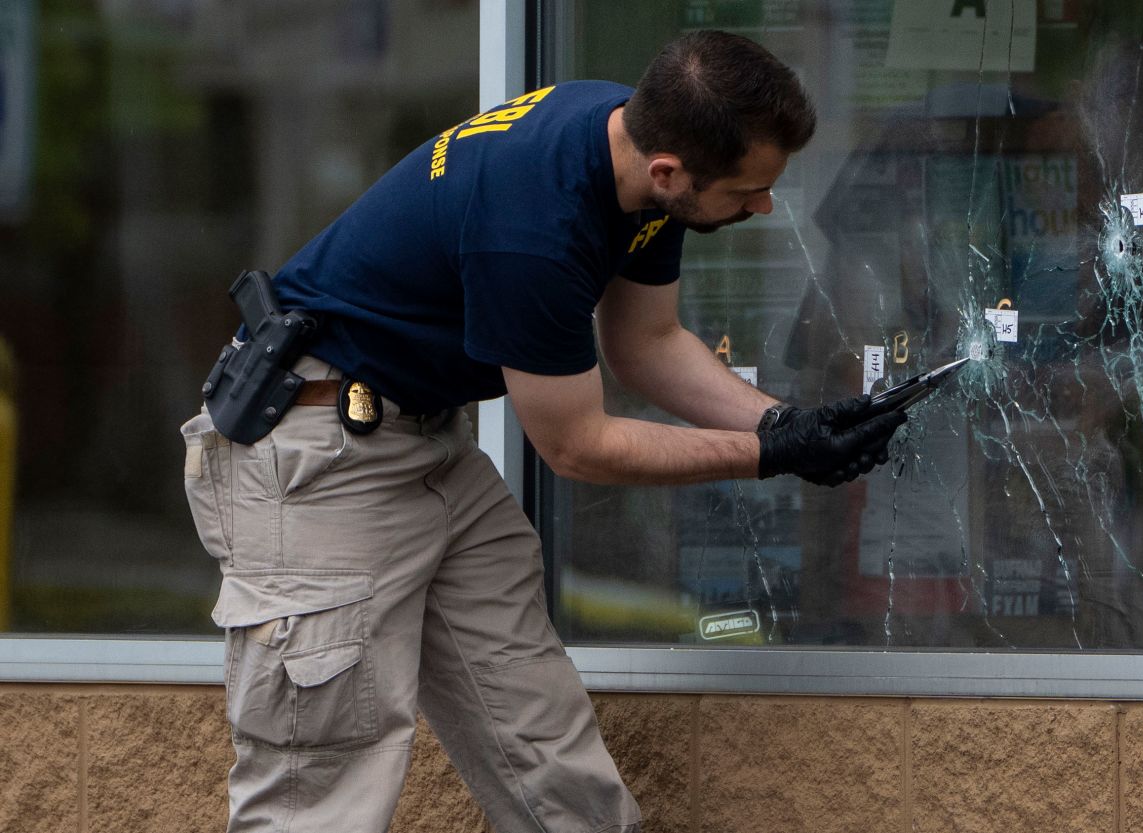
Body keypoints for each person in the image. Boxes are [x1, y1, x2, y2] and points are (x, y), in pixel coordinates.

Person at [180, 29, 908, 833]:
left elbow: (647, 344)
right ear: (671, 173)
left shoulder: (631, 146)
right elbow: (576, 445)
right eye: (746, 191)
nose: (764, 204)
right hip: (319, 459)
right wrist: (772, 453)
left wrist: (787, 421)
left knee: (538, 734)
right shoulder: (533, 224)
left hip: (424, 443)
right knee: (316, 788)